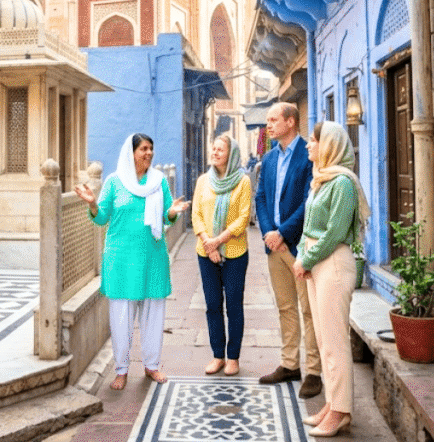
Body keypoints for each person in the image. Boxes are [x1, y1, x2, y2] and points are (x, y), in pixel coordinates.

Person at [74, 134, 190, 391]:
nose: (148, 153)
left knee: (153, 313)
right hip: (122, 258)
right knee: (121, 317)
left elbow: (167, 217)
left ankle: (152, 365)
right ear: (131, 152)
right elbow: (101, 217)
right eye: (143, 149)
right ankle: (121, 370)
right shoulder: (115, 182)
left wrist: (173, 212)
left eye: (151, 148)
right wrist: (93, 203)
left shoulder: (159, 182)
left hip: (152, 256)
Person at [292, 121, 370, 437]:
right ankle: (333, 404)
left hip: (333, 264)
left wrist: (305, 260)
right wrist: (302, 256)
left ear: (329, 145)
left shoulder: (343, 184)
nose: (309, 145)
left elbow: (335, 232)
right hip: (315, 262)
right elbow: (310, 226)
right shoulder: (322, 181)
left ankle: (340, 411)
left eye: (314, 140)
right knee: (324, 340)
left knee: (335, 341)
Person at [254, 102, 322, 397]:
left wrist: (283, 233)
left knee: (309, 310)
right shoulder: (269, 159)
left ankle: (315, 371)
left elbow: (311, 201)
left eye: (273, 120)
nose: (268, 125)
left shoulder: (309, 155)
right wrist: (270, 232)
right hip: (275, 247)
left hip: (299, 245)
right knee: (285, 308)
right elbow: (261, 197)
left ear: (291, 122)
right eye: (267, 120)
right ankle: (290, 364)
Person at [192, 134, 251, 376]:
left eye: (220, 149)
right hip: (206, 253)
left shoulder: (243, 181)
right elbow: (196, 214)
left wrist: (218, 241)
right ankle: (218, 356)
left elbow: (243, 217)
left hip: (235, 253)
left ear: (232, 154)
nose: (215, 153)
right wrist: (208, 243)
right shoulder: (203, 181)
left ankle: (233, 357)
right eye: (213, 148)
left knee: (234, 305)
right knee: (212, 305)